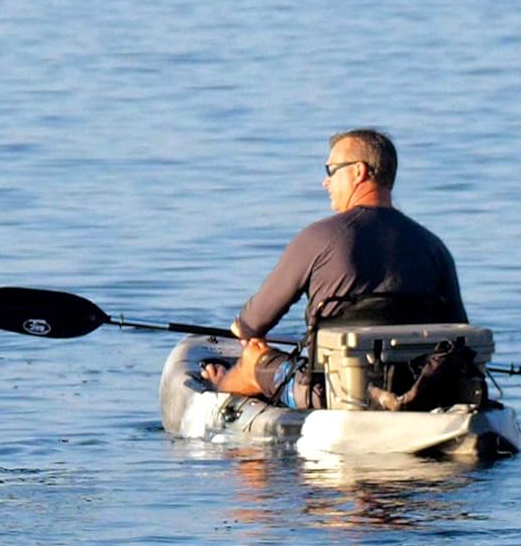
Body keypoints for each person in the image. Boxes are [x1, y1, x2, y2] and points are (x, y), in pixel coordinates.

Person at [200, 129, 467, 406]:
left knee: (253, 360)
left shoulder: (318, 238)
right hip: (416, 392)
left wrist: (245, 333)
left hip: (330, 394)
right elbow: (460, 335)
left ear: (359, 172)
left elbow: (251, 325)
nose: (325, 182)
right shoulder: (435, 248)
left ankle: (220, 387)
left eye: (331, 170)